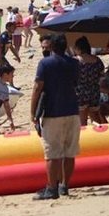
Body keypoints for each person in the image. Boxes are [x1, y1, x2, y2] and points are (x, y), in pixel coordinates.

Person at [31, 34, 80, 200]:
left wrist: (33, 113)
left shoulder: (45, 63)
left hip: (53, 112)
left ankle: (52, 189)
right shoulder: (74, 63)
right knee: (69, 152)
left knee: (52, 153)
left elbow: (38, 88)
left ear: (51, 46)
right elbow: (74, 84)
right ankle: (64, 186)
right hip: (72, 111)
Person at [73, 36, 105, 125]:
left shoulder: (75, 61)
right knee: (96, 117)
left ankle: (84, 138)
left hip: (80, 93)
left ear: (78, 48)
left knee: (82, 120)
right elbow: (102, 76)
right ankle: (100, 136)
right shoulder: (97, 60)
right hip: (94, 91)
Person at [0, 21, 20, 87]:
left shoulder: (10, 36)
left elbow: (11, 47)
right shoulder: (4, 35)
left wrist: (17, 56)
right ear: (8, 27)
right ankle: (11, 86)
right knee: (9, 69)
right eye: (13, 27)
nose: (15, 28)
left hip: (0, 56)